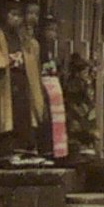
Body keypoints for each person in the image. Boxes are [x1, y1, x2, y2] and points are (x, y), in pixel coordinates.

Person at [0, 0, 49, 168]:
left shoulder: (20, 37)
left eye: (19, 16)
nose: (16, 19)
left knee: (23, 114)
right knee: (6, 116)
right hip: (7, 79)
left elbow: (30, 55)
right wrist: (7, 62)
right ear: (5, 15)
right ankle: (6, 153)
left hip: (21, 79)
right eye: (12, 15)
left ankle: (25, 151)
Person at [38, 14, 68, 161]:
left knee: (56, 117)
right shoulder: (39, 47)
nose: (52, 34)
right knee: (45, 116)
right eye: (49, 29)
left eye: (55, 30)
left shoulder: (54, 50)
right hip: (43, 83)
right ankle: (44, 148)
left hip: (53, 84)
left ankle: (56, 150)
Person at [61, 52, 101, 160]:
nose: (86, 74)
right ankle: (81, 147)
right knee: (79, 127)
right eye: (84, 72)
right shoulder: (76, 83)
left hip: (82, 108)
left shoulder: (82, 82)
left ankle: (85, 146)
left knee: (83, 126)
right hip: (77, 108)